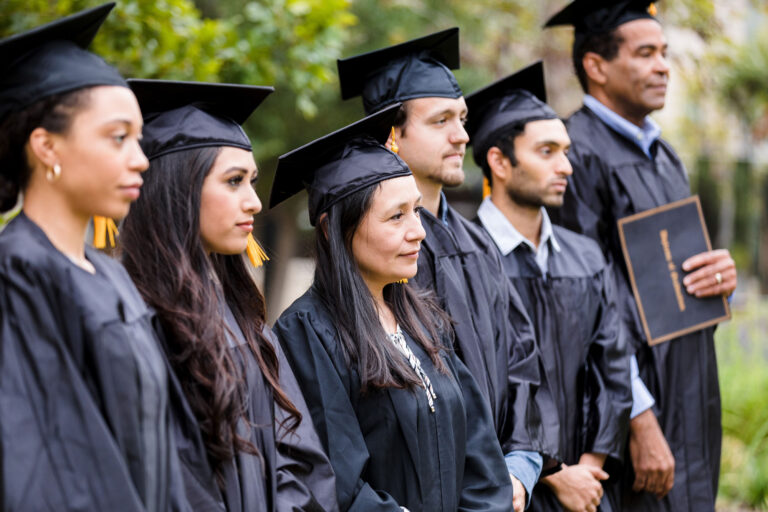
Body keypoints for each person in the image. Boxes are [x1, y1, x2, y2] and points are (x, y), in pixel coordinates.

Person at [337, 29, 559, 511]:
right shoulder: (372, 258)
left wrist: (518, 469)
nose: (463, 134)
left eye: (461, 119)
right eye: (441, 121)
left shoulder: (479, 245)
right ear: (391, 135)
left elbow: (524, 364)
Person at [270, 107, 514, 511]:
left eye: (415, 210)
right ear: (334, 229)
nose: (417, 230)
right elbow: (336, 482)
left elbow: (481, 457)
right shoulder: (306, 332)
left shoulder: (424, 319)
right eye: (395, 216)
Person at [544, 1, 737, 510]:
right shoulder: (575, 154)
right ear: (596, 66)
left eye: (665, 53)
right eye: (646, 53)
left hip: (692, 385)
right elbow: (585, 301)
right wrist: (639, 418)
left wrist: (719, 280)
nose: (663, 66)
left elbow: (670, 279)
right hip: (635, 404)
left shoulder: (665, 152)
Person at [0, 4, 193, 510]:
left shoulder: (110, 274)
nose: (141, 158)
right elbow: (44, 461)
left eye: (139, 138)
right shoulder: (16, 274)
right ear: (46, 147)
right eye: (117, 137)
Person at [120, 79, 338, 512]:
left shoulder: (244, 316)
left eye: (251, 181)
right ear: (177, 189)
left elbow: (297, 453)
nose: (255, 202)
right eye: (234, 181)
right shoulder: (134, 318)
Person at [467, 61, 633, 512]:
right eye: (547, 152)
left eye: (565, 150)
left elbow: (614, 368)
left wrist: (588, 468)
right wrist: (554, 475)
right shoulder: (462, 261)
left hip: (590, 489)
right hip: (509, 491)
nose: (566, 167)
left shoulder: (586, 257)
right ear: (500, 162)